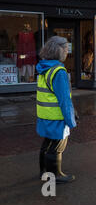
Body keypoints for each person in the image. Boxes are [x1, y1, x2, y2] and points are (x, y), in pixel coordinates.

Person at [36, 36, 77, 184]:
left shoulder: (43, 67)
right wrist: (70, 120)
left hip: (45, 115)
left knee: (47, 144)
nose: (67, 52)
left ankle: (44, 172)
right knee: (57, 146)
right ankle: (55, 175)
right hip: (57, 117)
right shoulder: (59, 72)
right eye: (65, 49)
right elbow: (64, 100)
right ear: (58, 50)